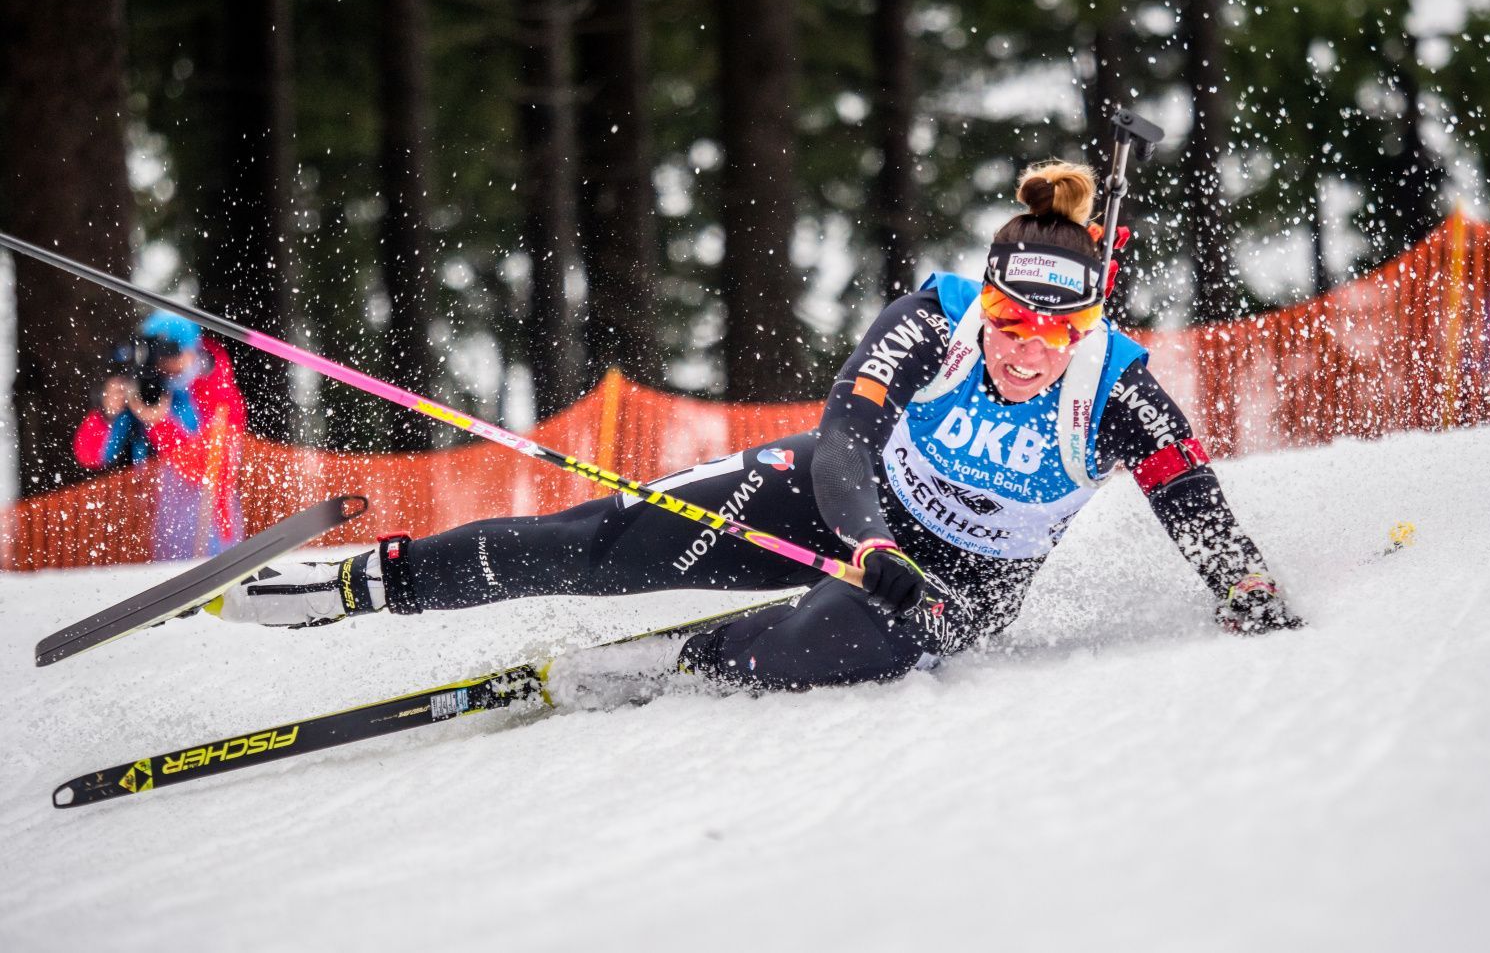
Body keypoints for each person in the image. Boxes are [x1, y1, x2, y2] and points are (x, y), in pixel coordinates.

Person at [215, 161, 1299, 698]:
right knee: (600, 541)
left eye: (1052, 332)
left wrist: (1243, 585)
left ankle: (674, 664)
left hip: (960, 579)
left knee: (830, 643)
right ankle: (363, 583)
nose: (1023, 349)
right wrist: (867, 536)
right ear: (986, 298)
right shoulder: (933, 318)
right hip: (848, 505)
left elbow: (1192, 500)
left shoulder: (1122, 391)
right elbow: (841, 442)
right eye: (1009, 321)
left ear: (1090, 327)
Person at [75, 311, 247, 560]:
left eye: (171, 351)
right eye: (155, 352)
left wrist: (159, 423)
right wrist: (107, 415)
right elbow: (90, 454)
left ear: (192, 351)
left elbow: (208, 470)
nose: (163, 363)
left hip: (211, 537)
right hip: (148, 538)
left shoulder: (215, 389)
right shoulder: (141, 387)